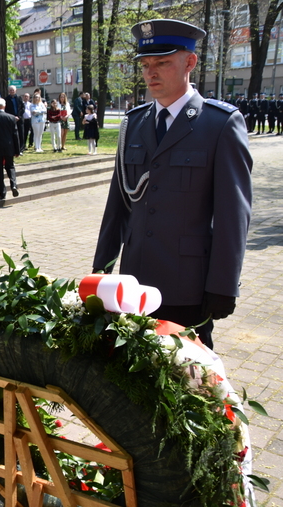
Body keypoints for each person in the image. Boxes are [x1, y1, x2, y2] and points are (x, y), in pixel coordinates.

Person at [92, 19, 253, 350]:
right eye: (146, 64)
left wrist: (223, 285)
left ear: (190, 62)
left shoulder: (219, 124)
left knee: (191, 381)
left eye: (162, 62)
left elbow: (232, 216)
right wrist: (102, 268)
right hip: (133, 282)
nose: (151, 72)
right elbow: (118, 206)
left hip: (187, 285)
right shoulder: (133, 124)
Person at [0, 98, 21, 200]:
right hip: (9, 146)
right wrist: (17, 150)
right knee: (10, 166)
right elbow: (15, 135)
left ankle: (2, 193)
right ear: (4, 106)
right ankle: (13, 184)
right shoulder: (11, 118)